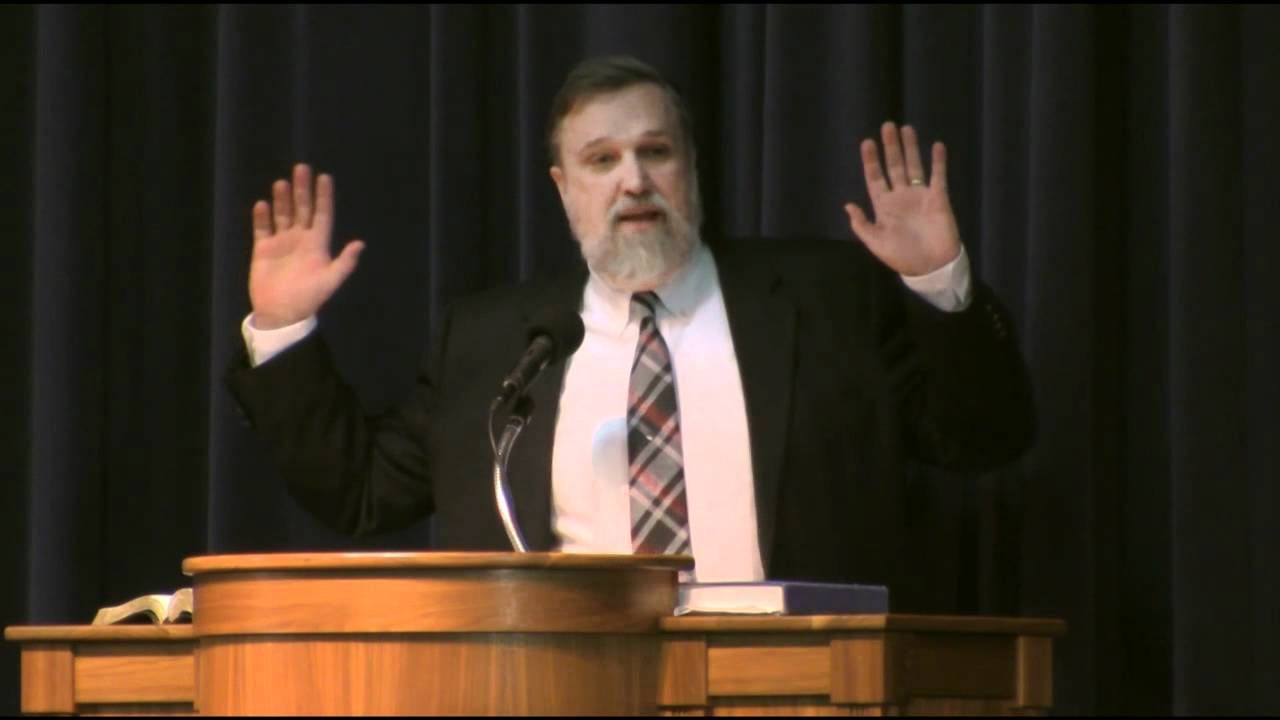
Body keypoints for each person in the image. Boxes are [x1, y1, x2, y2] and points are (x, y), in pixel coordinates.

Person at [227, 56, 1034, 597]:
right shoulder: (493, 343)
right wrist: (283, 329)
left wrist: (937, 281)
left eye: (656, 152)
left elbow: (984, 439)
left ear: (691, 166)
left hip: (800, 688)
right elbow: (362, 492)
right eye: (602, 160)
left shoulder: (828, 299)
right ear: (563, 187)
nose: (634, 180)